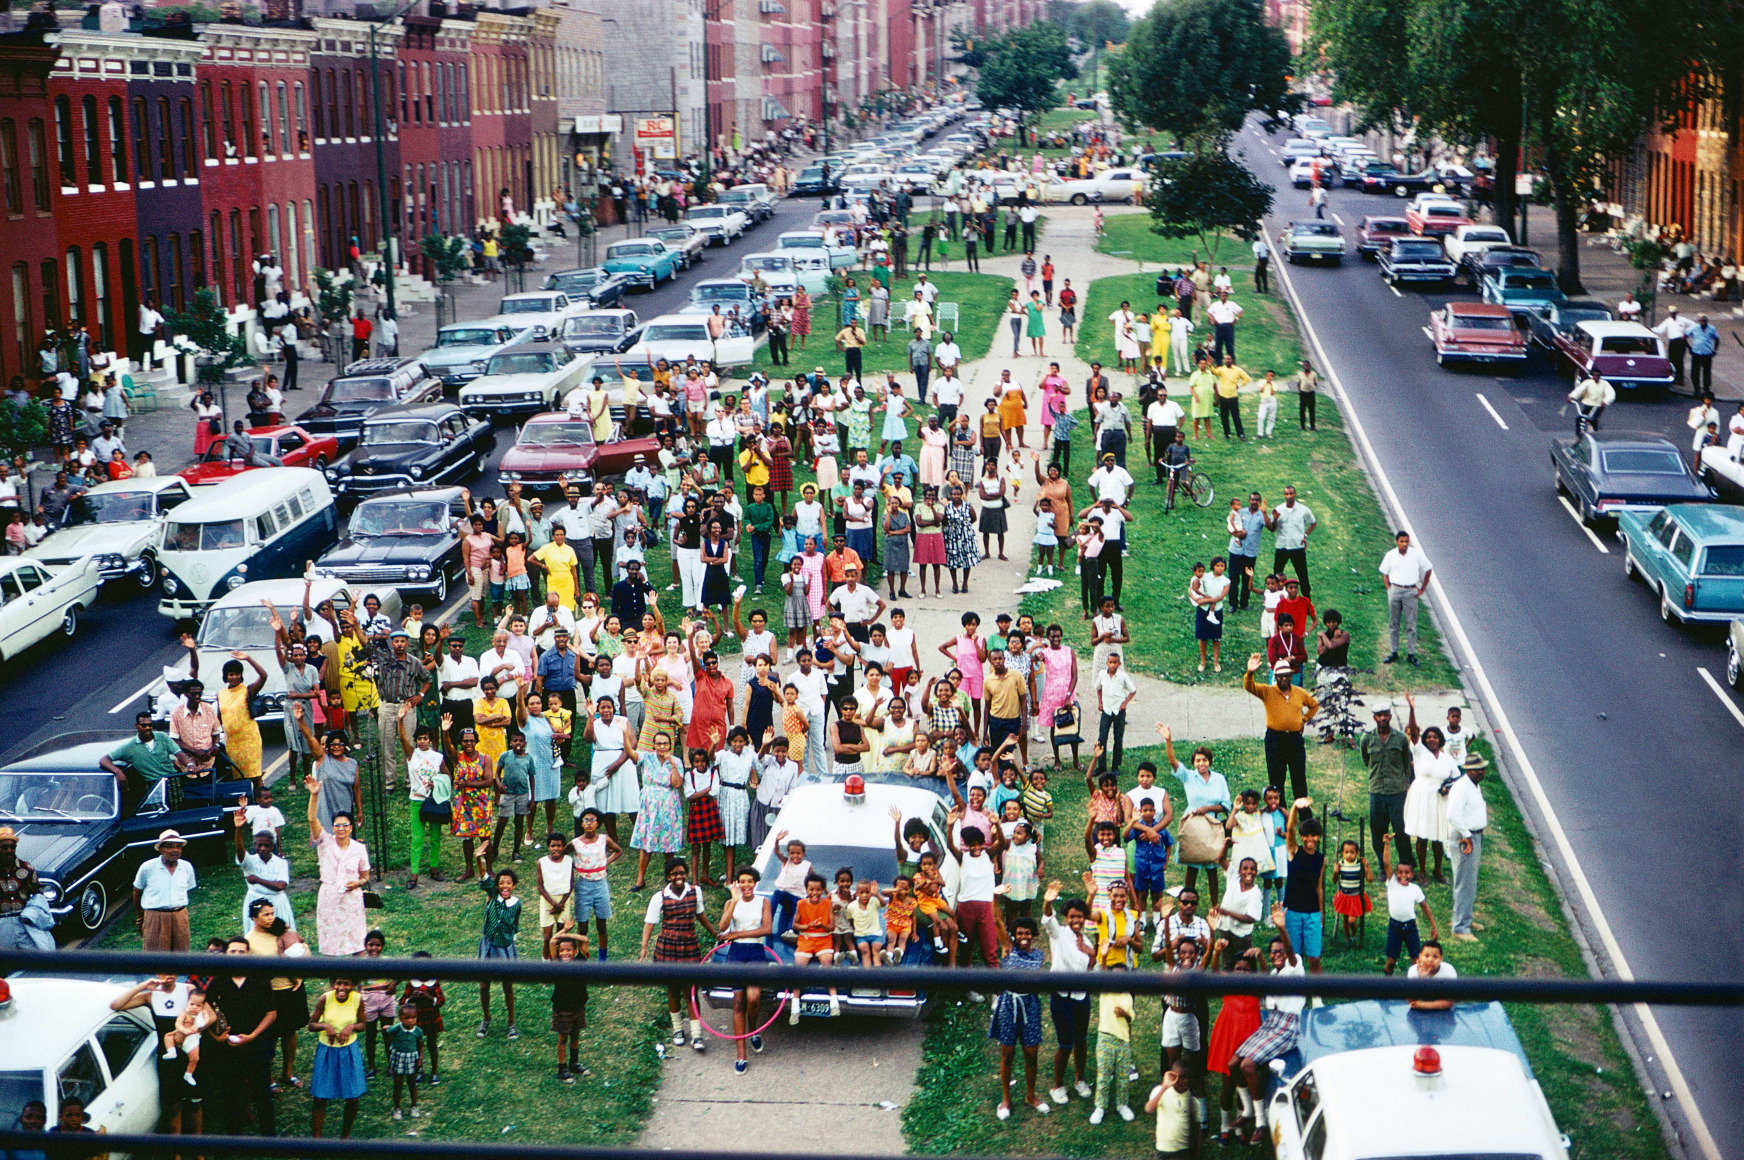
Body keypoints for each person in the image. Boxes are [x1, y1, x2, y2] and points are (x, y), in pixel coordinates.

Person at [1229, 911, 1305, 1145]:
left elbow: (1290, 954)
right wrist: (1262, 956)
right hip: (1272, 1023)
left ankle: (1261, 1122)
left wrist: (1282, 928)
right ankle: (1249, 1111)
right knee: (1233, 1063)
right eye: (1273, 952)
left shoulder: (1295, 966)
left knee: (1248, 1065)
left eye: (1279, 951)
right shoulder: (1274, 972)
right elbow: (1266, 979)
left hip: (1288, 1027)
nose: (1277, 955)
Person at [641, 856, 720, 1049]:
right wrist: (644, 946)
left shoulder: (695, 892)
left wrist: (715, 934)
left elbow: (701, 915)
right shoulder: (660, 896)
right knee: (673, 989)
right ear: (668, 876)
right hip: (668, 947)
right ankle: (677, 1028)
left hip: (689, 946)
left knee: (690, 990)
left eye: (682, 873)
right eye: (675, 873)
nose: (679, 876)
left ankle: (696, 1034)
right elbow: (649, 923)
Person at [303, 766, 370, 956]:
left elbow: (365, 875)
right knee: (330, 943)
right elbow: (311, 819)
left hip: (352, 899)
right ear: (332, 827)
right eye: (337, 825)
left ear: (350, 828)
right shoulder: (325, 841)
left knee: (357, 942)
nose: (341, 829)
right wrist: (314, 795)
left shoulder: (359, 849)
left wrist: (358, 883)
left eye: (345, 825)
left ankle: (361, 981)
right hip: (329, 896)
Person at [1242, 655, 1318, 800]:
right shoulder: (1268, 692)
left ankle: (1303, 813)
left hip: (1295, 740)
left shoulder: (1299, 692)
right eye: (1280, 676)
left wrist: (1304, 719)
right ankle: (1279, 814)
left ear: (1291, 676)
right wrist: (1250, 673)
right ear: (1275, 677)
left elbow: (1314, 705)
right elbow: (1249, 686)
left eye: (1287, 676)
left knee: (1299, 778)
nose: (1284, 679)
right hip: (1275, 740)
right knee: (1276, 779)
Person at [308, 976, 368, 1138]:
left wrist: (351, 1027)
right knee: (320, 1097)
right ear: (332, 984)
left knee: (353, 1097)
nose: (342, 987)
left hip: (349, 1051)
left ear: (353, 985)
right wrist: (325, 1025)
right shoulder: (325, 999)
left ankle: (345, 1138)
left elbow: (363, 1025)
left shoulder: (357, 999)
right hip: (327, 1051)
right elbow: (311, 1025)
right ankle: (317, 1140)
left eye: (346, 984)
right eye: (338, 983)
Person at [1359, 704, 1413, 873]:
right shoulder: (1367, 739)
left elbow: (1406, 763)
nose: (1383, 718)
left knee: (1401, 830)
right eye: (1379, 715)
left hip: (1397, 792)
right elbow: (1366, 760)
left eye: (1385, 715)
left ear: (1390, 716)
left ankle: (1406, 864)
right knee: (1377, 831)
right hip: (1376, 791)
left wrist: (1403, 784)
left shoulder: (1401, 738)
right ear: (1374, 717)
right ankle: (1383, 866)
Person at [1445, 752, 1489, 942]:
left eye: (1482, 768)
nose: (1481, 772)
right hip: (1466, 838)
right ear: (1467, 770)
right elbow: (1453, 815)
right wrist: (1468, 836)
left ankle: (1464, 918)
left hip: (1474, 835)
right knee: (1464, 882)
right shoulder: (1461, 787)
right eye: (1476, 769)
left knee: (1469, 880)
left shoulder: (1473, 785)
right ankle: (1460, 927)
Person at [132, 830, 195, 951]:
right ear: (160, 849)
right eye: (170, 846)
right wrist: (140, 917)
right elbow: (136, 891)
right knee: (156, 959)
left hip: (180, 916)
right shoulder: (147, 867)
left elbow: (187, 889)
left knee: (181, 956)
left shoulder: (186, 867)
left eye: (178, 846)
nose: (175, 850)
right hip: (155, 917)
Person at [1090, 961, 1135, 1124]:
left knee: (1123, 1076)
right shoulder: (1106, 991)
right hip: (1106, 1038)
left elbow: (1131, 1018)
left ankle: (1122, 1104)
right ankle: (1100, 1106)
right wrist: (1102, 956)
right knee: (1104, 1074)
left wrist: (1125, 1014)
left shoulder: (1128, 996)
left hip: (1123, 1041)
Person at [1382, 859, 1437, 974]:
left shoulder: (1415, 889)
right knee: (1391, 961)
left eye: (1407, 873)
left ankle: (1416, 987)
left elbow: (1425, 907)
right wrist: (1386, 843)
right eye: (1400, 872)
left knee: (1416, 962)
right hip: (1395, 927)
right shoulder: (1392, 883)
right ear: (1395, 874)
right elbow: (1387, 863)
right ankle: (1387, 981)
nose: (1403, 875)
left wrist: (1434, 926)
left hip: (1410, 927)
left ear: (1412, 875)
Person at [1266, 486, 1316, 597]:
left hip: (1297, 547)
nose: (1289, 496)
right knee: (1277, 575)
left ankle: (1307, 600)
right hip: (1282, 546)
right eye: (1287, 494)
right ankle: (1275, 599)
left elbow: (1313, 523)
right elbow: (1272, 529)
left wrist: (1305, 535)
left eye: (1291, 493)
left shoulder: (1303, 509)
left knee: (1303, 575)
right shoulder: (1278, 509)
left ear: (1295, 494)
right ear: (1284, 495)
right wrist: (1274, 518)